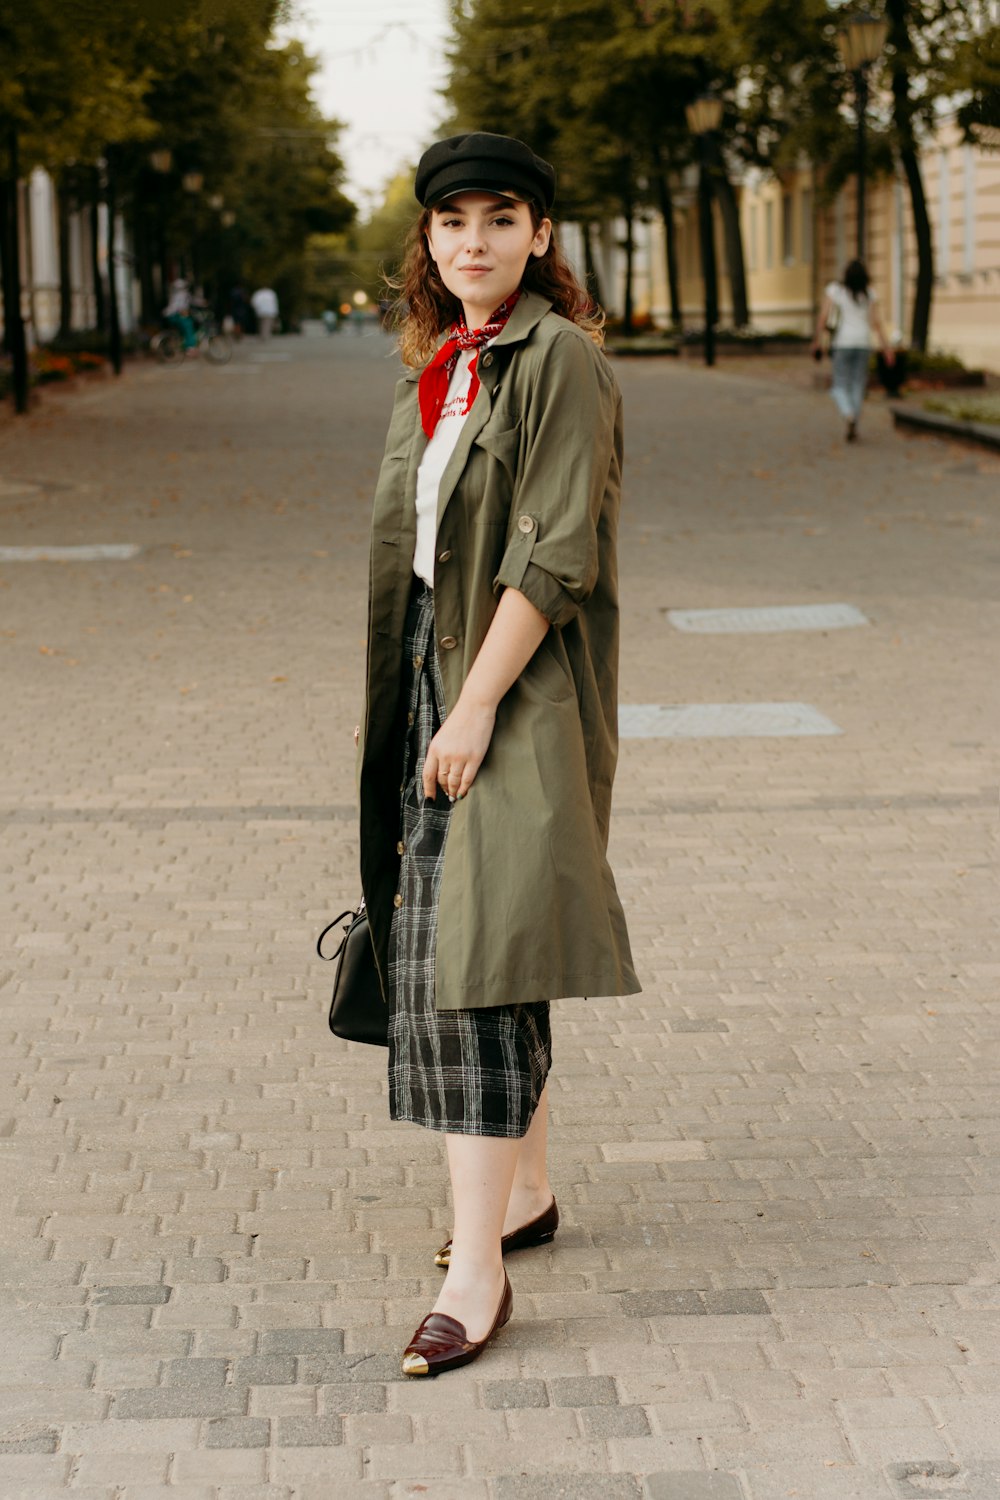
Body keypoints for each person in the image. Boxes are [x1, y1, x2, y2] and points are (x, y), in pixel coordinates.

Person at [356, 131, 641, 1379]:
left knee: (465, 962)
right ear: (427, 241)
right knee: (487, 934)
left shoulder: (559, 356)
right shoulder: (446, 366)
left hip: (512, 683)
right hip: (439, 670)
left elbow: (554, 551)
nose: (472, 239)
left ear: (539, 237)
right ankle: (521, 1189)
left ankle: (479, 1277)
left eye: (500, 217)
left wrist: (470, 707)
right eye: (451, 220)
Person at [812, 259, 895, 442]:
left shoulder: (835, 290)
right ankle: (854, 420)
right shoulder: (870, 294)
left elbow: (823, 317)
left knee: (840, 385)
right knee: (858, 384)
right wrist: (886, 349)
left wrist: (817, 341)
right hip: (863, 343)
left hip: (842, 343)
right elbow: (876, 324)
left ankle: (848, 413)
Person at [163, 277, 196, 352]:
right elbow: (180, 307)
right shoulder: (182, 295)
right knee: (188, 325)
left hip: (170, 316)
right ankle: (190, 347)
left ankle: (182, 341)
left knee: (183, 327)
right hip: (176, 315)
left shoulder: (174, 295)